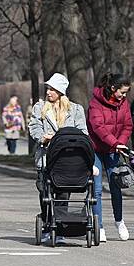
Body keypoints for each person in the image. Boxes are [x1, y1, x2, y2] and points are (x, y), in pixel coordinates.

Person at [28, 73, 88, 244]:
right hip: (45, 158)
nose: (48, 92)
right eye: (48, 89)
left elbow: (83, 132)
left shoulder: (75, 110)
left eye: (52, 89)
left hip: (67, 160)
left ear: (61, 92)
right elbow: (34, 127)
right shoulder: (40, 108)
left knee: (62, 194)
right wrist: (42, 137)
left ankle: (59, 228)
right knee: (45, 193)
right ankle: (47, 223)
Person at [87, 73, 133, 242]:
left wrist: (120, 143)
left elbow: (127, 125)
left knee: (116, 186)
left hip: (114, 149)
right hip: (96, 149)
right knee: (97, 190)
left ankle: (119, 221)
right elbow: (97, 127)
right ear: (113, 89)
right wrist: (115, 142)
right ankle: (98, 226)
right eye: (122, 92)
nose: (124, 96)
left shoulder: (123, 103)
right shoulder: (95, 103)